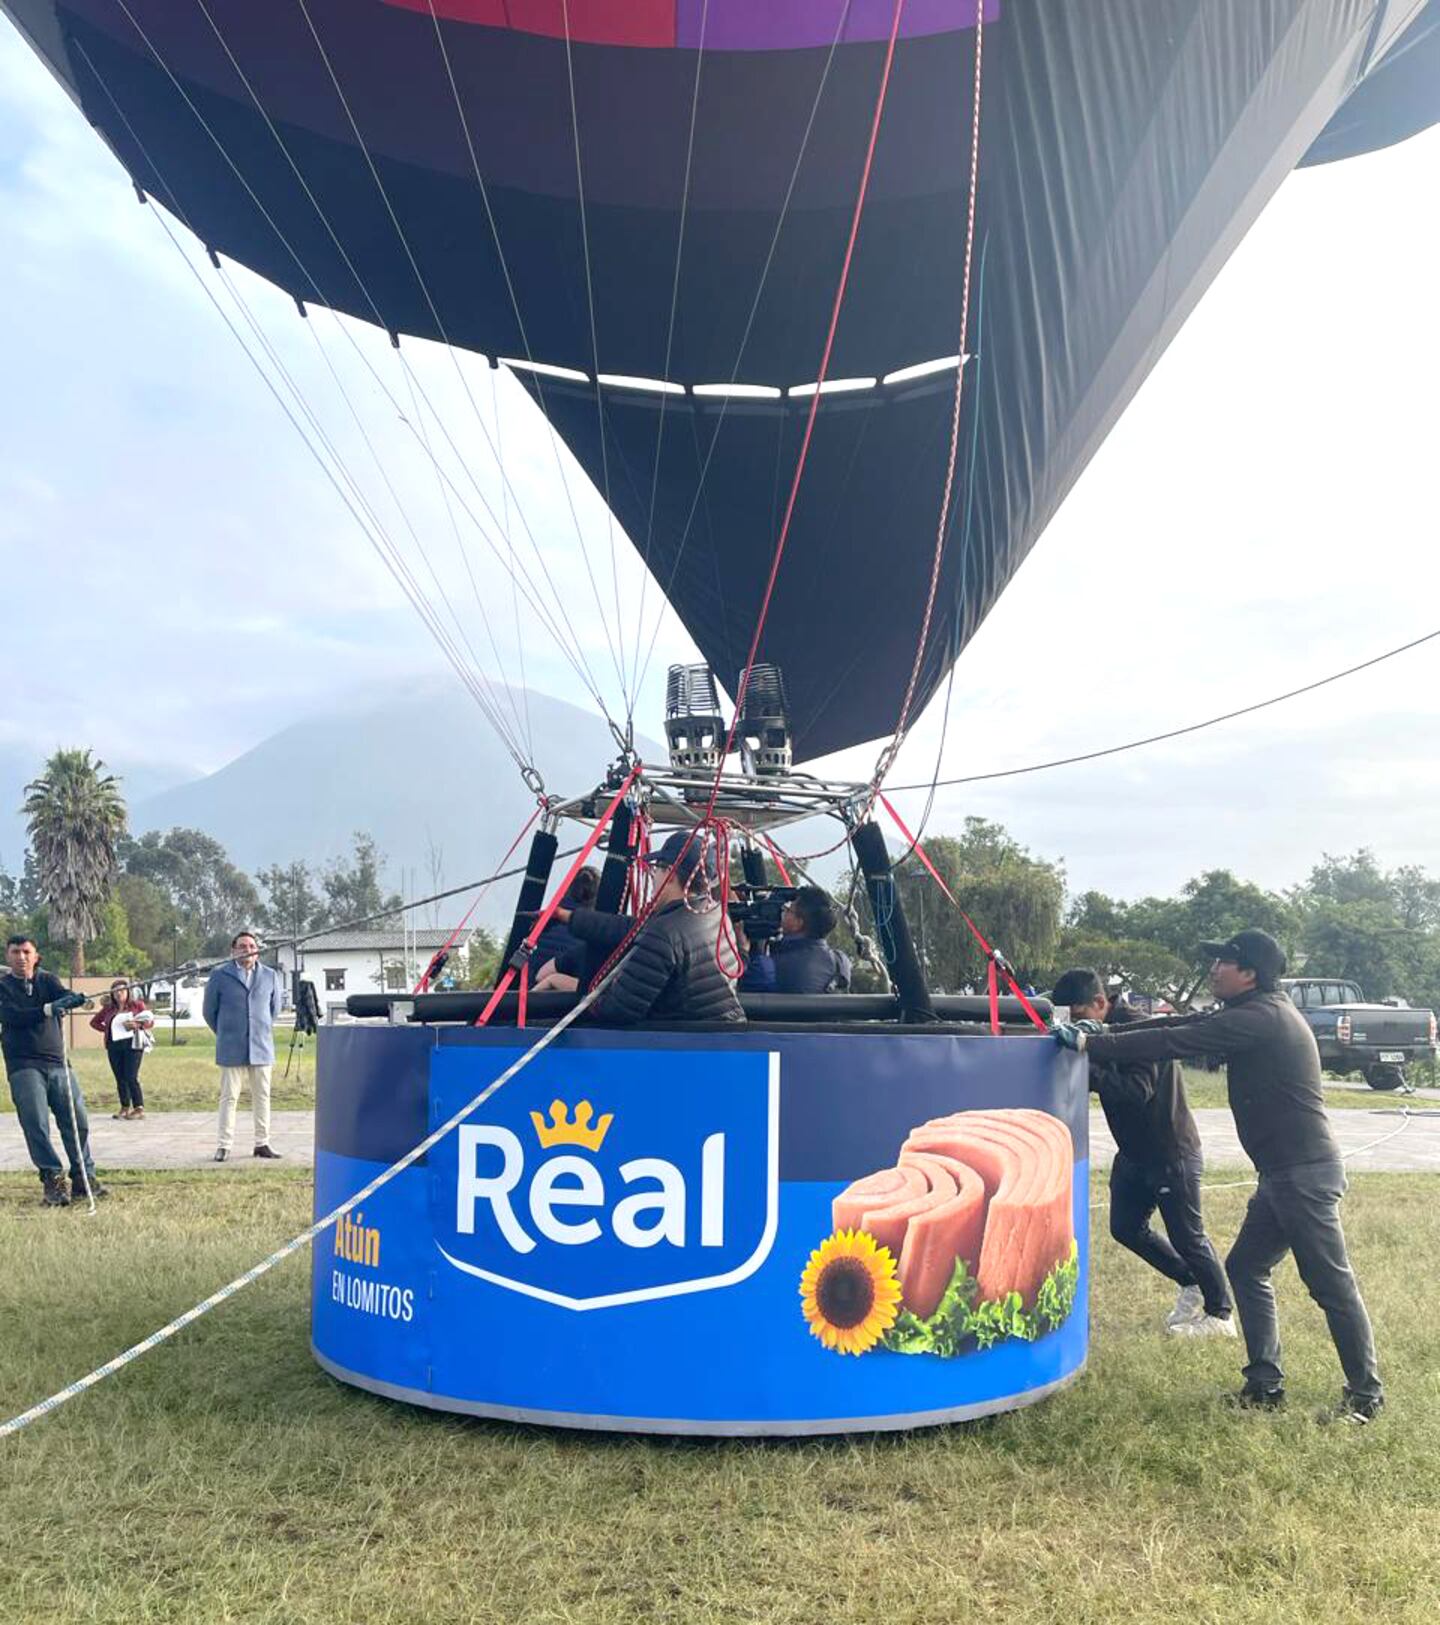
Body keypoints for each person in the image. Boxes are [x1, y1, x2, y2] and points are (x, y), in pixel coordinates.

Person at [1055, 929, 1383, 1422]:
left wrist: (1091, 1044)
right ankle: (1264, 1385)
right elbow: (1185, 1021)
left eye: (1222, 963)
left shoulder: (1264, 1017)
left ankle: (1366, 1396)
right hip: (1280, 1174)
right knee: (1247, 1268)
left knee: (1330, 1284)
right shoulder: (1250, 1011)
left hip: (1303, 1175)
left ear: (1249, 972)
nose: (1212, 970)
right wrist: (1107, 1035)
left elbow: (1177, 1038)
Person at [1050, 967, 1232, 1338]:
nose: (1078, 1027)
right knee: (1125, 1228)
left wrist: (1086, 1066)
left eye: (1081, 1017)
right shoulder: (1100, 1026)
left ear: (1100, 1003)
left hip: (1169, 1151)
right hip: (1132, 1152)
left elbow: (1137, 1090)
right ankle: (1190, 1281)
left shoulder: (1139, 1030)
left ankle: (1221, 1314)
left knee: (1189, 1237)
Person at [588, 831, 745, 1025]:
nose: (653, 876)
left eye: (657, 869)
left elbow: (617, 1012)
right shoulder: (718, 914)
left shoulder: (663, 933)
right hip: (721, 1036)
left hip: (681, 1044)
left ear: (670, 874)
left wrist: (589, 999)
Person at [0, 934, 106, 1206]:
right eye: (15, 952)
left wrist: (73, 999)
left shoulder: (47, 980)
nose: (21, 957)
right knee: (36, 1124)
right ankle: (53, 1179)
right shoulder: (3, 987)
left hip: (58, 1062)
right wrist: (48, 1009)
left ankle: (84, 1176)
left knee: (77, 1121)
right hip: (23, 1065)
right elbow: (11, 1015)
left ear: (36, 956)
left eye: (26, 952)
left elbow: (63, 996)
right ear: (7, 956)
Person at [203, 930, 285, 1163]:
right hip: (231, 1046)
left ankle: (262, 1143)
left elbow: (274, 1010)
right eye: (242, 946)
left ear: (257, 951)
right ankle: (224, 1145)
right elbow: (209, 1012)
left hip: (261, 1046)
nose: (247, 950)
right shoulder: (220, 975)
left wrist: (259, 1030)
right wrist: (227, 1033)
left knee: (263, 1096)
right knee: (229, 1097)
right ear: (233, 950)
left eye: (251, 946)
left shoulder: (270, 975)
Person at [737, 885, 852, 994]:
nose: (783, 913)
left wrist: (742, 951)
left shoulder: (767, 970)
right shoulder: (841, 964)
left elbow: (731, 986)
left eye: (788, 910)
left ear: (798, 923)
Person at [90, 977, 155, 1119]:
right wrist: (108, 1029)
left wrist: (138, 1025)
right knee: (120, 1077)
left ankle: (138, 1108)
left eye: (122, 991)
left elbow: (150, 1022)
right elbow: (94, 1022)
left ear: (127, 992)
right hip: (114, 1045)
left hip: (133, 1044)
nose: (119, 994)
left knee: (131, 1076)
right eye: (116, 992)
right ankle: (125, 1106)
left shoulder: (137, 1006)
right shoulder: (109, 1009)